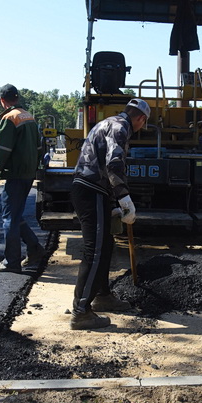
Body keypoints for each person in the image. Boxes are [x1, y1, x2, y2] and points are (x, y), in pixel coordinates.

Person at [69, 98, 150, 330]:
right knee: (94, 250)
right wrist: (124, 198)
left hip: (93, 190)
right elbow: (114, 164)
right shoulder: (120, 127)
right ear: (141, 119)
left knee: (105, 246)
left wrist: (112, 203)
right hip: (90, 189)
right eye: (143, 124)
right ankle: (80, 312)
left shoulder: (109, 122)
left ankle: (102, 295)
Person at [0, 84, 45, 273]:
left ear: (2, 101)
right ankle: (35, 248)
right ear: (17, 98)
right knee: (13, 215)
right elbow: (40, 147)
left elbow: (1, 150)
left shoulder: (9, 118)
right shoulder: (28, 116)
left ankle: (11, 261)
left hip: (16, 175)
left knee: (9, 218)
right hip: (28, 173)